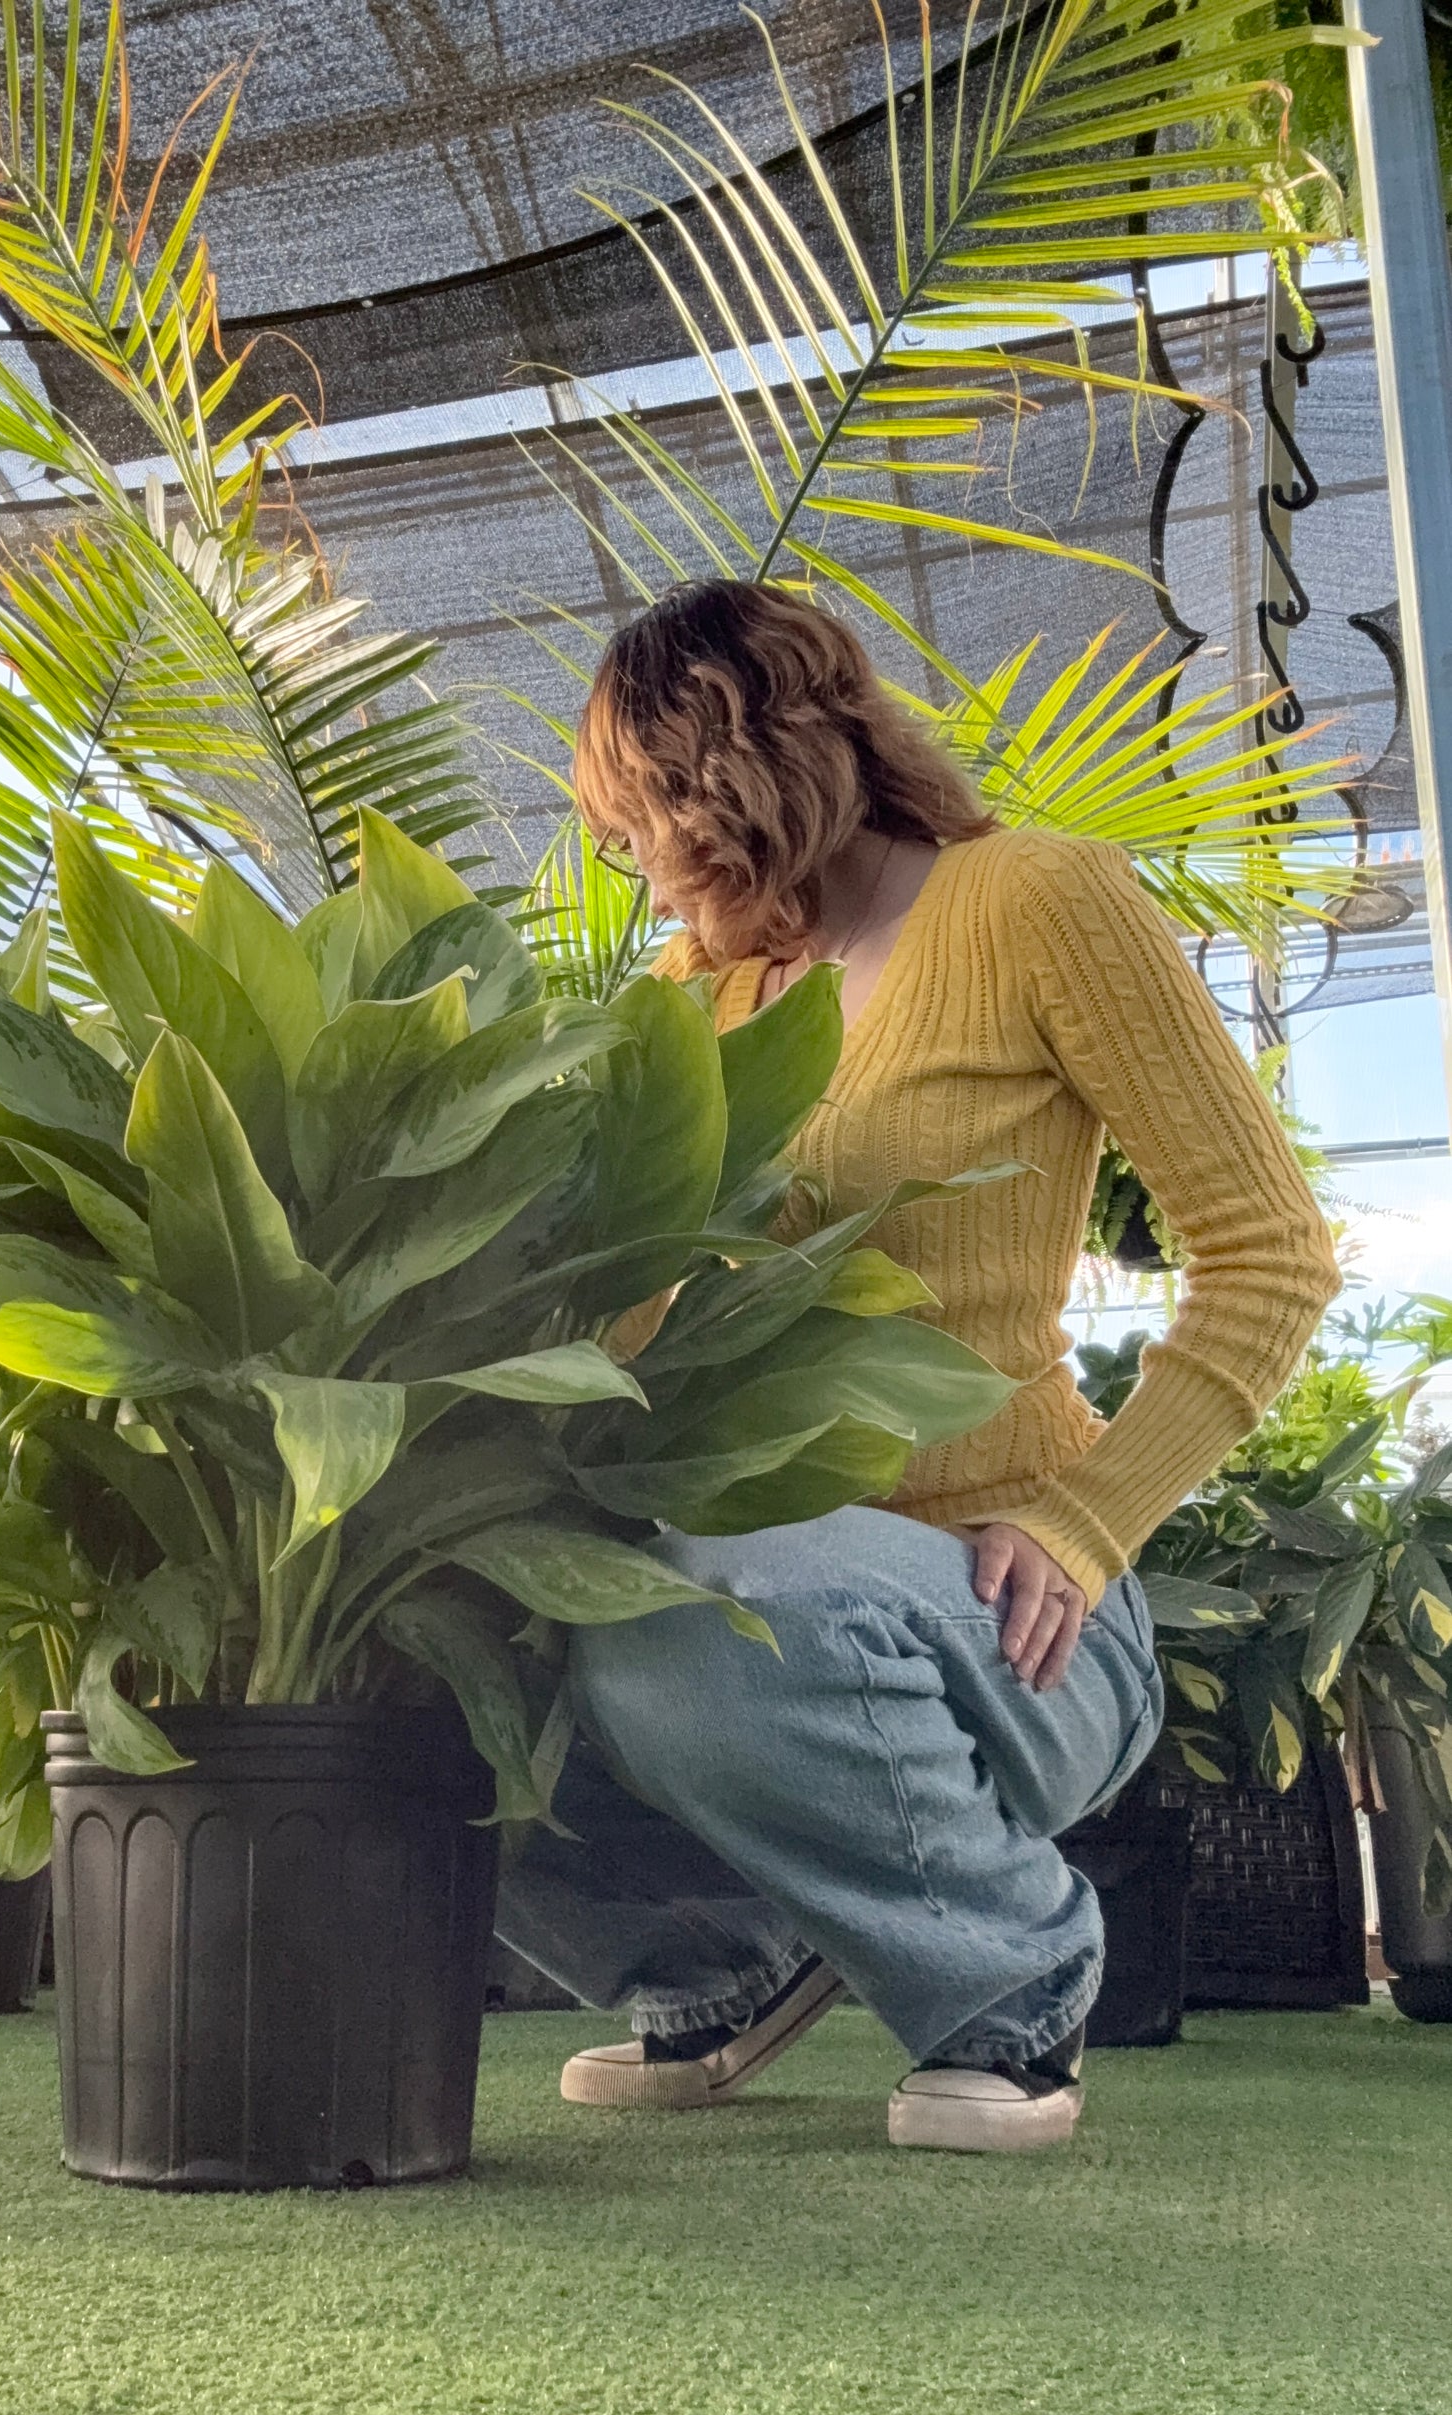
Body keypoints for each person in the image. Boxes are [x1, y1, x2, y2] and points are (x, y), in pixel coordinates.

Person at [495, 580, 1340, 2153]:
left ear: (723, 777)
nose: (642, 870)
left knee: (701, 1612)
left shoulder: (1033, 901)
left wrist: (1088, 1525)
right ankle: (705, 1965)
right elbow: (627, 1312)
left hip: (1012, 1615)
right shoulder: (695, 996)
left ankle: (1014, 1978)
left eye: (641, 821)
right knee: (464, 1619)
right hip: (749, 1590)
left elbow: (1269, 1255)